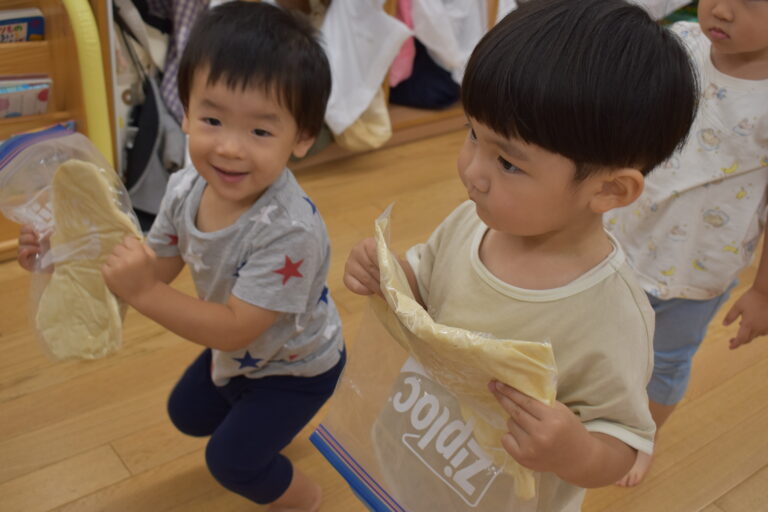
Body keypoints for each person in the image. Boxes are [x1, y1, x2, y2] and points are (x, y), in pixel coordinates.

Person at [343, 0, 698, 510]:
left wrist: (575, 450)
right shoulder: (472, 223)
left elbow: (622, 445)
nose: (473, 171)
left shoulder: (612, 317)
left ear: (609, 190)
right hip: (417, 446)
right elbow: (426, 290)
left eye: (508, 162)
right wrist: (392, 275)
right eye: (473, 134)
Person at [21, 3, 343, 511]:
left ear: (301, 137)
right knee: (187, 415)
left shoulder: (290, 232)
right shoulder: (186, 186)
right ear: (186, 112)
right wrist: (65, 255)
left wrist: (144, 292)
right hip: (242, 355)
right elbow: (157, 264)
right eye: (213, 119)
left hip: (296, 367)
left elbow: (235, 328)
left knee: (231, 462)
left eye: (260, 131)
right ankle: (262, 429)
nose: (229, 148)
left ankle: (306, 498)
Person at [605, 0, 768, 487]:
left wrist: (763, 292)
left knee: (666, 361)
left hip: (696, 271)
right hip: (620, 239)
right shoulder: (677, 46)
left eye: (748, 3)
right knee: (600, 333)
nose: (722, 10)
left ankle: (641, 437)